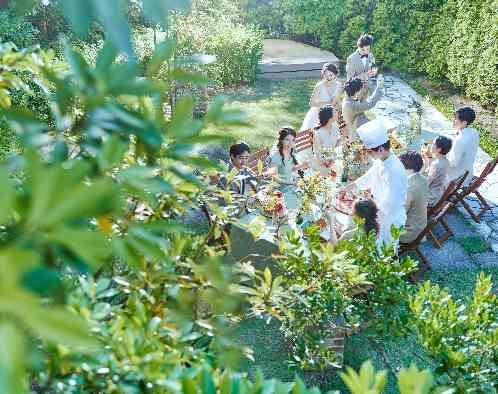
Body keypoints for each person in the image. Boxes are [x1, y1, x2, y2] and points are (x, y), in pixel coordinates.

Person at [342, 119, 408, 247]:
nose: (368, 154)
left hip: (389, 217)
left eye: (370, 151)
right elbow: (370, 176)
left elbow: (392, 202)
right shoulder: (382, 159)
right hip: (378, 211)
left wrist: (369, 212)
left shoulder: (395, 170)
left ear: (381, 148)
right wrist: (349, 187)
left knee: (382, 249)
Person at [300, 63, 343, 131]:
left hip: (332, 114)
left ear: (335, 74)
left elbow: (338, 101)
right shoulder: (319, 86)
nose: (328, 78)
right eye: (326, 75)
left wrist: (339, 106)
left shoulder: (339, 85)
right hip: (318, 114)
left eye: (330, 75)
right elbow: (311, 103)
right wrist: (327, 103)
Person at [266, 127, 301, 209]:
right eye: (287, 140)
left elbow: (290, 169)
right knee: (295, 207)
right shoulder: (275, 156)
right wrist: (292, 183)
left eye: (293, 140)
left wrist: (304, 165)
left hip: (290, 185)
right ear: (281, 140)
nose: (291, 143)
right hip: (278, 190)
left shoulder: (290, 151)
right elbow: (275, 179)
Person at [399, 151, 429, 244]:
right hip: (420, 225)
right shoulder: (423, 179)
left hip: (409, 231)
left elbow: (401, 213)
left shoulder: (409, 187)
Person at [341, 75, 384, 140]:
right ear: (356, 91)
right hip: (356, 134)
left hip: (359, 127)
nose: (361, 91)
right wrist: (379, 87)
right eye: (360, 89)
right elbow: (369, 104)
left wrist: (366, 84)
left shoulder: (348, 98)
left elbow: (363, 98)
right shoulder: (350, 105)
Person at [447, 107, 479, 186]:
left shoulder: (460, 140)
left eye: (455, 119)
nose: (453, 121)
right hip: (467, 172)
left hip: (457, 177)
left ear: (464, 123)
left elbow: (453, 164)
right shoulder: (474, 132)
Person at [423, 136, 452, 206]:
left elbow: (426, 184)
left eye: (433, 144)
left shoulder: (436, 164)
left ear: (439, 149)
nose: (430, 145)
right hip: (438, 195)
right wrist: (429, 158)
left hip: (430, 198)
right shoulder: (447, 162)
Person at [346, 34, 377, 99]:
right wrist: (365, 75)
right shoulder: (351, 59)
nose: (366, 52)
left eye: (368, 49)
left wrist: (374, 71)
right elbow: (350, 79)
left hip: (368, 87)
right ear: (358, 47)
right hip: (356, 90)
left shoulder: (370, 55)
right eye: (362, 50)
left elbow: (373, 66)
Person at [312, 105, 341, 173]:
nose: (337, 113)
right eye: (335, 112)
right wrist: (327, 162)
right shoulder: (318, 133)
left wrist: (342, 139)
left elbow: (335, 143)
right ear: (329, 117)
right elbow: (318, 154)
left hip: (333, 158)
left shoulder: (335, 126)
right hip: (321, 163)